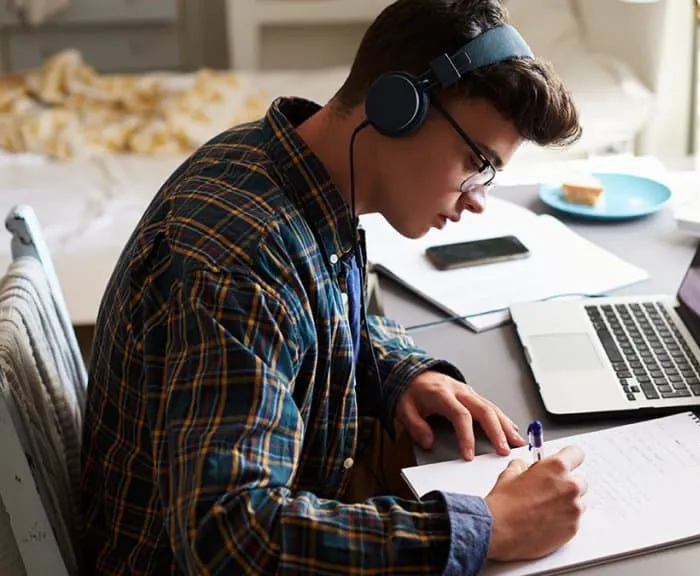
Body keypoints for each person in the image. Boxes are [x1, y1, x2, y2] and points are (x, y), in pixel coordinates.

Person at [79, 0, 588, 574]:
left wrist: (401, 372)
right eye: (475, 161)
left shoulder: (280, 168)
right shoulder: (242, 261)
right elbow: (230, 537)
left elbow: (311, 318)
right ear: (399, 108)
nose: (477, 198)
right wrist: (486, 527)